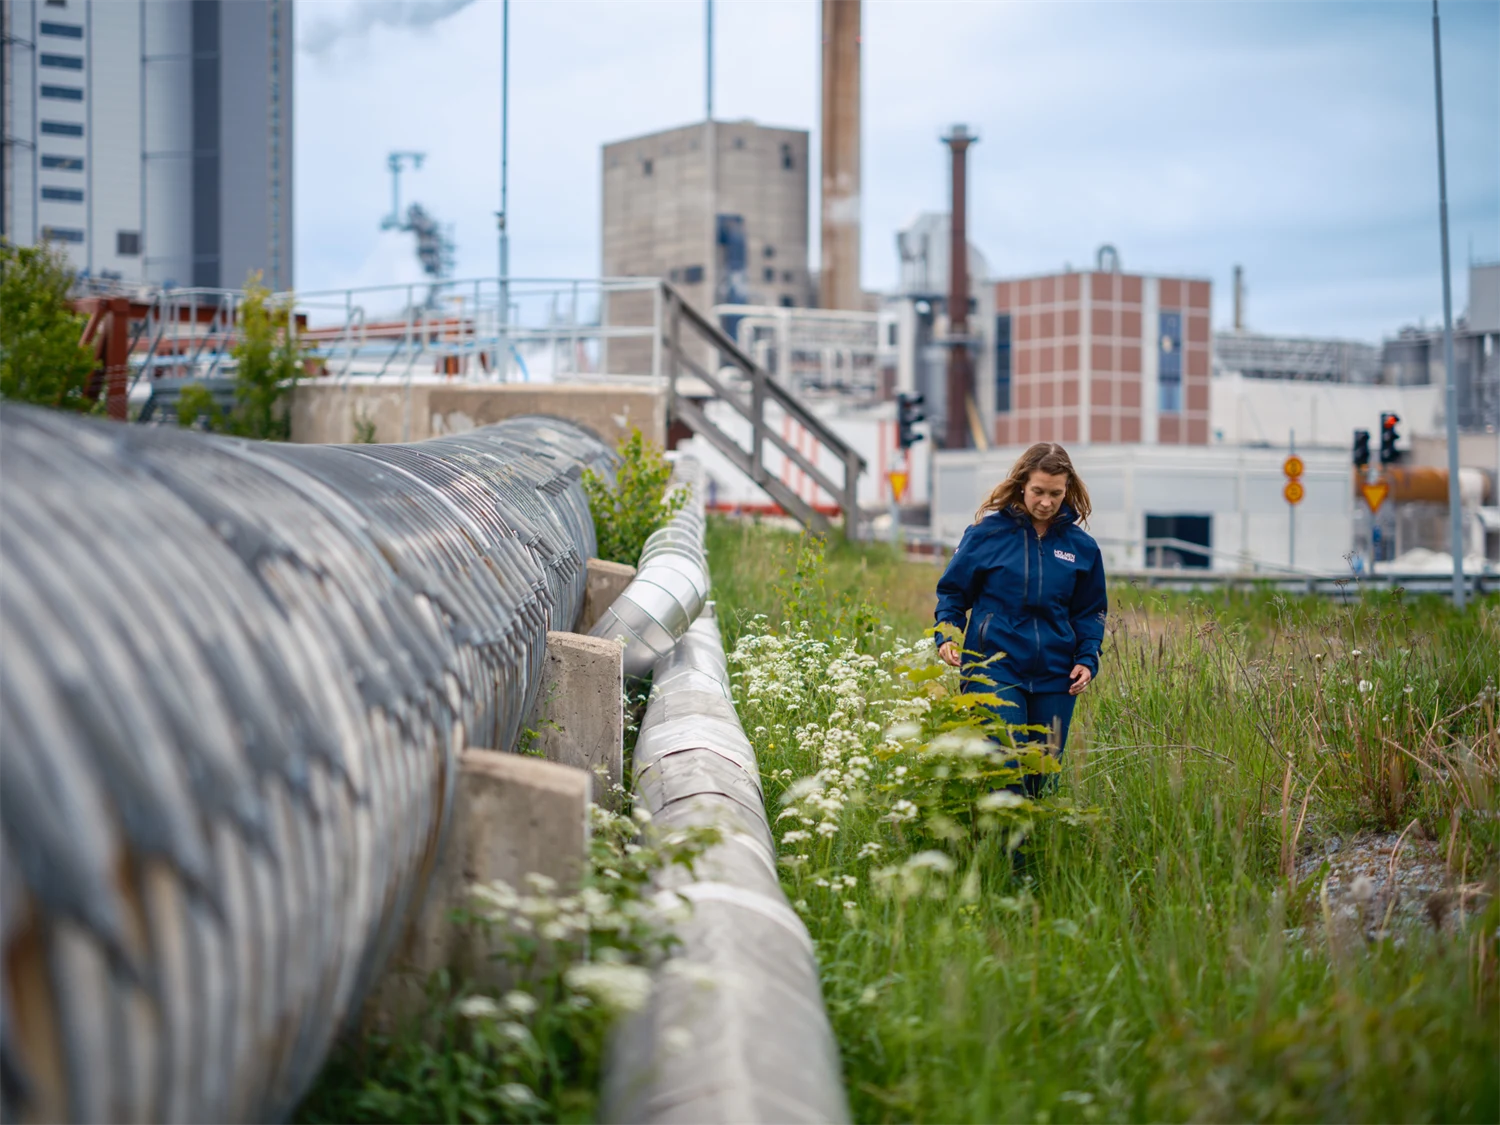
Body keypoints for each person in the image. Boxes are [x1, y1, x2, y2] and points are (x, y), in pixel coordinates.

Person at [933, 442, 1107, 796]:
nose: (1046, 502)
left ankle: (1037, 851)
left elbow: (1090, 612)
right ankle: (1001, 850)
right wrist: (947, 636)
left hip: (1056, 676)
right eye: (1038, 491)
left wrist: (1088, 659)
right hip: (993, 667)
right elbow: (952, 594)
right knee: (1006, 771)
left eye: (1056, 494)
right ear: (1022, 485)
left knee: (1041, 781)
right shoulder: (986, 535)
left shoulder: (1082, 548)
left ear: (1067, 490)